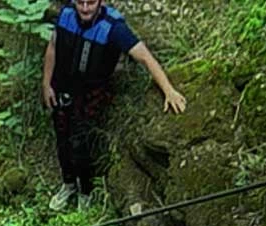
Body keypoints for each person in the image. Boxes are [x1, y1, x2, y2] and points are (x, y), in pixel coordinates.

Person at [43, 0, 188, 211]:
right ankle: (68, 185)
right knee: (62, 139)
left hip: (91, 94)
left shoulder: (113, 27)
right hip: (62, 88)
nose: (84, 8)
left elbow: (145, 58)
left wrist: (169, 90)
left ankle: (85, 192)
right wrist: (46, 84)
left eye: (90, 3)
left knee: (81, 143)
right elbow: (52, 48)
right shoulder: (65, 15)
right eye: (80, 2)